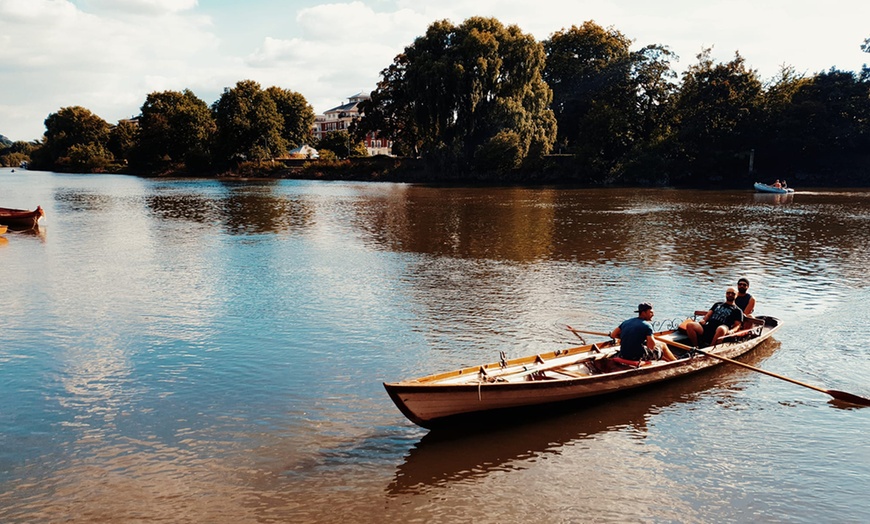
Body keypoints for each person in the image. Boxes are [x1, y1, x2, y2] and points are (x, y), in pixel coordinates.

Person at [611, 303, 677, 362]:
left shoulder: (626, 322)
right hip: (637, 357)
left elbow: (613, 335)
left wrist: (628, 336)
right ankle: (675, 362)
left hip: (624, 354)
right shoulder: (647, 326)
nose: (653, 315)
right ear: (643, 313)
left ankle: (665, 359)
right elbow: (651, 347)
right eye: (650, 312)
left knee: (649, 347)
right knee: (663, 345)